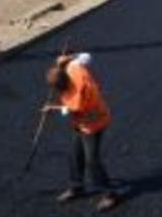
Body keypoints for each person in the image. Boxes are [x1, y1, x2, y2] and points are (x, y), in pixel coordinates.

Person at [44, 53, 118, 212]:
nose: (58, 93)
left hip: (94, 123)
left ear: (63, 85)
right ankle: (76, 187)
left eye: (58, 90)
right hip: (81, 122)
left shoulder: (78, 96)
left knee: (92, 161)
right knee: (75, 155)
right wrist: (66, 59)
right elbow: (86, 56)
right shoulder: (73, 68)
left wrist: (52, 109)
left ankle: (110, 194)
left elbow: (71, 110)